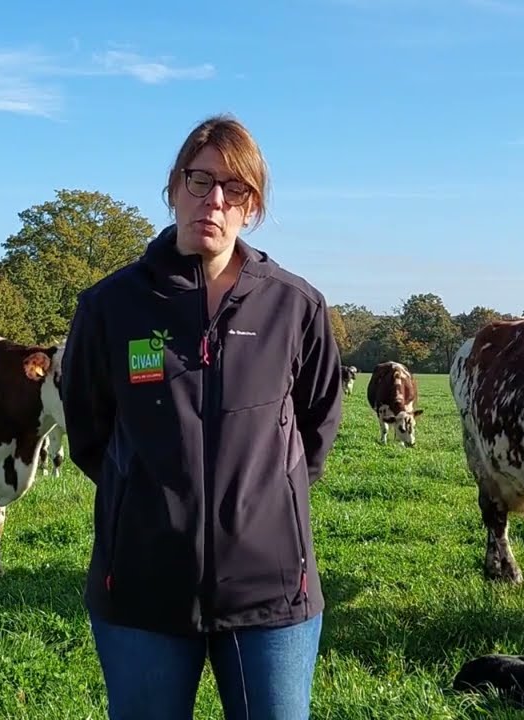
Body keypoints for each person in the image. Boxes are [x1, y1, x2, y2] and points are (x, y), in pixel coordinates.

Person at [60, 113, 345, 720]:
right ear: (173, 187)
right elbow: (87, 430)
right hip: (140, 589)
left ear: (253, 206)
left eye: (233, 188)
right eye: (199, 180)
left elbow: (317, 426)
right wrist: (146, 498)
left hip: (271, 593)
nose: (213, 200)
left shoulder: (295, 306)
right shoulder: (112, 306)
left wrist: (269, 499)